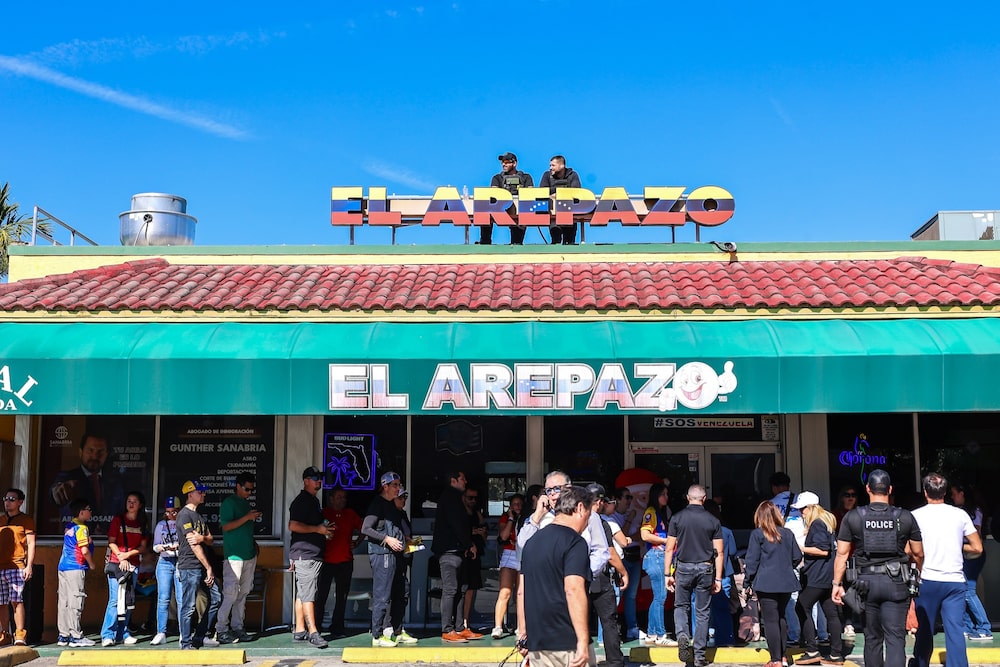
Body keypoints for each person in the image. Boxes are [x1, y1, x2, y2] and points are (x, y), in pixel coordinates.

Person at [832, 469, 923, 667]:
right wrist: (917, 574)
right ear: (889, 489)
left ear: (867, 489)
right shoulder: (905, 517)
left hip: (865, 585)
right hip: (896, 583)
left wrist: (836, 583)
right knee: (895, 638)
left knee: (872, 638)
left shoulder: (854, 517)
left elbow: (842, 553)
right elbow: (918, 554)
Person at [517, 485, 596, 667]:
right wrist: (583, 641)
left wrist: (523, 633)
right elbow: (573, 589)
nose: (587, 522)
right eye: (588, 515)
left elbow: (521, 592)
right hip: (568, 641)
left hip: (538, 642)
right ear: (580, 508)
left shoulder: (531, 543)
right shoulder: (575, 542)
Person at [911, 473, 982, 667]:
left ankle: (920, 663)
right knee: (955, 631)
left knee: (925, 630)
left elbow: (909, 550)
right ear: (945, 492)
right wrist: (958, 546)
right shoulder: (960, 515)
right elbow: (977, 547)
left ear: (925, 492)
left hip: (927, 579)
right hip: (955, 581)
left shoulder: (915, 516)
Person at [663, 484, 724, 667]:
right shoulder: (713, 520)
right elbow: (719, 552)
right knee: (702, 612)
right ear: (704, 499)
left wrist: (667, 574)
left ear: (688, 498)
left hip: (683, 568)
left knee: (681, 606)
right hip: (705, 568)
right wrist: (718, 578)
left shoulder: (677, 518)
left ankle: (682, 636)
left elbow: (669, 548)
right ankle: (699, 655)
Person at [745, 501, 802, 667]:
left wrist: (747, 582)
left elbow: (752, 561)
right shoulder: (788, 533)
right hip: (786, 581)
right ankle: (782, 656)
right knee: (781, 616)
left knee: (770, 620)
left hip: (765, 582)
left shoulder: (757, 534)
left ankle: (775, 659)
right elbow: (797, 557)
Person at [791, 491, 845, 665]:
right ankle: (836, 654)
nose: (801, 513)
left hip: (817, 576)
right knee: (831, 613)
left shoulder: (817, 524)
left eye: (802, 509)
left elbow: (823, 550)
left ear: (811, 508)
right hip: (828, 576)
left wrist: (800, 547)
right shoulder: (827, 523)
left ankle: (813, 650)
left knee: (801, 607)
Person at [432, 470, 482, 642]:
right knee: (450, 590)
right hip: (449, 552)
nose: (465, 481)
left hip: (458, 551)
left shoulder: (456, 498)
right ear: (453, 481)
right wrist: (469, 543)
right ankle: (447, 629)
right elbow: (457, 525)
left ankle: (460, 627)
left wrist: (467, 545)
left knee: (461, 589)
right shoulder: (450, 498)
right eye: (462, 479)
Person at [361, 471, 407, 647]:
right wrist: (386, 539)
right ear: (385, 486)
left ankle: (391, 630)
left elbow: (393, 529)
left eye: (399, 484)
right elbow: (366, 528)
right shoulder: (377, 504)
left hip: (393, 555)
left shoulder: (390, 505)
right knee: (382, 594)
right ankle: (377, 635)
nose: (398, 488)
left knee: (395, 592)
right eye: (394, 485)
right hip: (382, 555)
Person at [176, 479, 222, 650]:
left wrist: (202, 537)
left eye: (204, 491)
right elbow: (193, 544)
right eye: (200, 492)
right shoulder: (184, 515)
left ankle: (200, 636)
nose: (203, 494)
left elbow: (210, 539)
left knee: (217, 598)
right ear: (190, 494)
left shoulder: (199, 517)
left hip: (202, 566)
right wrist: (209, 567)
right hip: (190, 566)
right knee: (189, 606)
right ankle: (186, 643)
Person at [217, 472, 262, 644]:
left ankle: (238, 627)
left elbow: (244, 529)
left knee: (243, 593)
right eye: (246, 489)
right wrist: (248, 517)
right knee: (230, 593)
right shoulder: (229, 503)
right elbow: (227, 526)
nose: (249, 492)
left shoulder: (245, 504)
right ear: (238, 486)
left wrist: (253, 543)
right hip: (234, 556)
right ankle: (221, 629)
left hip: (249, 554)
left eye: (251, 490)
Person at [288, 466, 330, 649]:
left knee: (303, 593)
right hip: (306, 555)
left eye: (320, 478)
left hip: (309, 555)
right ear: (306, 481)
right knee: (309, 595)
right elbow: (293, 525)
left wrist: (324, 530)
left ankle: (299, 629)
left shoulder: (313, 501)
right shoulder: (302, 501)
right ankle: (313, 632)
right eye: (315, 478)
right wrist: (318, 530)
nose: (318, 481)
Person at [102, 490, 149, 646]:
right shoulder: (118, 520)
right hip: (116, 564)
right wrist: (121, 556)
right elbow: (112, 541)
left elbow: (143, 547)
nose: (131, 503)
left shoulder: (142, 522)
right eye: (129, 500)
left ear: (140, 504)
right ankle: (108, 634)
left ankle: (123, 632)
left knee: (128, 600)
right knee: (115, 600)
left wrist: (127, 556)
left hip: (132, 564)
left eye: (134, 501)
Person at [583, 483, 623, 667]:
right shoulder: (600, 522)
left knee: (579, 620)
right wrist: (624, 572)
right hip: (599, 576)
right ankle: (614, 660)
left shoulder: (574, 518)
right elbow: (610, 552)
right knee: (608, 620)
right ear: (598, 501)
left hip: (578, 576)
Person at [316, 487, 362, 638]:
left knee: (341, 598)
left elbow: (365, 528)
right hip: (326, 562)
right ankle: (316, 627)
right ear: (331, 498)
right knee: (321, 596)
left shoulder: (350, 514)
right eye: (339, 497)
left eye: (344, 497)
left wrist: (357, 542)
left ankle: (337, 628)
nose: (342, 499)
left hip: (345, 562)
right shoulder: (323, 513)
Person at [50, 432, 125, 524]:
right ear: (80, 452)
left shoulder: (116, 482)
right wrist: (57, 491)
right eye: (90, 450)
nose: (94, 456)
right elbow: (55, 492)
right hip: (76, 536)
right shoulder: (67, 477)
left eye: (100, 452)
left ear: (107, 454)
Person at [950, 482, 992, 641]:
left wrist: (957, 543)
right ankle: (968, 627)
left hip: (974, 556)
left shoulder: (975, 512)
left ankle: (984, 628)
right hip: (966, 556)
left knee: (968, 591)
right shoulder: (960, 512)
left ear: (963, 494)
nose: (952, 497)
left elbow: (976, 537)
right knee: (963, 591)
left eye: (955, 493)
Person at [56, 498, 96, 648]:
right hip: (76, 567)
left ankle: (63, 635)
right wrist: (92, 564)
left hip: (63, 567)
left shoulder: (69, 526)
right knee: (76, 600)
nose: (90, 512)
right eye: (88, 509)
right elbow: (84, 550)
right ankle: (76, 636)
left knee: (64, 601)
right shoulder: (82, 528)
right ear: (81, 512)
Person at [0, 488, 35, 647]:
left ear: (20, 502)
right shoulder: (1, 520)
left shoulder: (26, 520)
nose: (7, 502)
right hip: (1, 566)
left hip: (17, 566)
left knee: (16, 600)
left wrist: (29, 566)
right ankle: (4, 634)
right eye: (5, 498)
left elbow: (31, 544)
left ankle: (20, 634)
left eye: (12, 499)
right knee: (1, 602)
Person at [639, 482, 673, 646]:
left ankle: (652, 633)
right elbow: (645, 535)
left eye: (667, 494)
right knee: (661, 597)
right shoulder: (651, 512)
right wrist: (666, 540)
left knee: (657, 597)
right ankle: (661, 635)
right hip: (656, 556)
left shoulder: (661, 513)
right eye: (663, 494)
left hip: (659, 557)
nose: (666, 497)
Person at [598, 488, 631, 647]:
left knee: (604, 604)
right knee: (611, 604)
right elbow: (623, 542)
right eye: (612, 503)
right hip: (612, 567)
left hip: (601, 567)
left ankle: (602, 637)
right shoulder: (609, 522)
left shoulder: (595, 520)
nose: (615, 505)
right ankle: (605, 638)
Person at [479, 152, 534, 245]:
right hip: (501, 208)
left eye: (507, 162)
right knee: (485, 208)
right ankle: (485, 241)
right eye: (502, 162)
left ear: (514, 163)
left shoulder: (526, 177)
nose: (504, 164)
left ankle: (516, 242)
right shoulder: (497, 178)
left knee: (524, 210)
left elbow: (531, 193)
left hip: (521, 209)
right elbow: (493, 193)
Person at [702, 499, 736, 647]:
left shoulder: (701, 531)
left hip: (704, 573)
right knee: (722, 609)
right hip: (724, 574)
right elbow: (733, 552)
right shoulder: (727, 531)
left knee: (702, 608)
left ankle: (702, 638)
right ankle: (725, 640)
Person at [151, 496, 182, 646]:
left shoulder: (183, 524)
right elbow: (155, 546)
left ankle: (184, 633)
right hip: (164, 561)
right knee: (163, 598)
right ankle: (160, 632)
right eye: (168, 512)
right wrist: (162, 547)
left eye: (174, 512)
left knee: (182, 599)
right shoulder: (161, 525)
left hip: (180, 562)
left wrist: (177, 546)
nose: (170, 515)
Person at [388, 485, 417, 644]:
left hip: (404, 560)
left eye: (405, 497)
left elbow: (407, 536)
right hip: (392, 560)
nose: (404, 500)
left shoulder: (403, 514)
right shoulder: (390, 515)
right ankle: (388, 629)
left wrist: (412, 545)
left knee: (403, 594)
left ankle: (399, 628)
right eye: (400, 497)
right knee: (391, 595)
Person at [492, 493, 523, 638]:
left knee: (520, 594)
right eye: (514, 504)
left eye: (519, 504)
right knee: (505, 592)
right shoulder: (505, 517)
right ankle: (498, 627)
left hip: (523, 556)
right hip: (509, 555)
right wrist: (511, 518)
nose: (517, 506)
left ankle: (520, 627)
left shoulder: (527, 518)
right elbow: (503, 536)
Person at [518, 471, 573, 548]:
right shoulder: (539, 516)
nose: (552, 493)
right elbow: (522, 544)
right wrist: (537, 515)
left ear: (569, 488)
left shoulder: (583, 512)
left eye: (557, 488)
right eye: (549, 490)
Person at [460, 484, 487, 635]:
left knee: (471, 589)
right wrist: (472, 532)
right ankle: (458, 622)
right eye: (470, 497)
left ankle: (466, 621)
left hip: (476, 555)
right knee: (461, 588)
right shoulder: (459, 513)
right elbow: (458, 531)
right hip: (463, 555)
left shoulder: (477, 514)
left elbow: (484, 533)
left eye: (475, 498)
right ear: (463, 497)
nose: (473, 501)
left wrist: (481, 532)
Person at [540, 155, 582, 244]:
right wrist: (563, 192)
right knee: (555, 241)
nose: (550, 168)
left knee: (570, 243)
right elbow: (542, 191)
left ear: (562, 166)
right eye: (550, 165)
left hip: (569, 214)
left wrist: (556, 193)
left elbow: (576, 191)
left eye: (553, 165)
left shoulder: (573, 175)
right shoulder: (547, 175)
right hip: (553, 215)